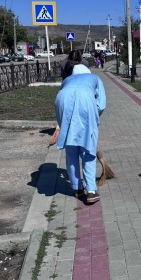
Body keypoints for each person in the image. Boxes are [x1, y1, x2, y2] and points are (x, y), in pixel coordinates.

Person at [54, 63, 106, 204]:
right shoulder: (95, 78)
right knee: (88, 151)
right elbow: (101, 104)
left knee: (71, 152)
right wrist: (93, 118)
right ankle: (91, 190)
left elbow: (59, 106)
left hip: (63, 101)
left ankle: (77, 188)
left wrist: (62, 124)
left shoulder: (67, 80)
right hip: (85, 104)